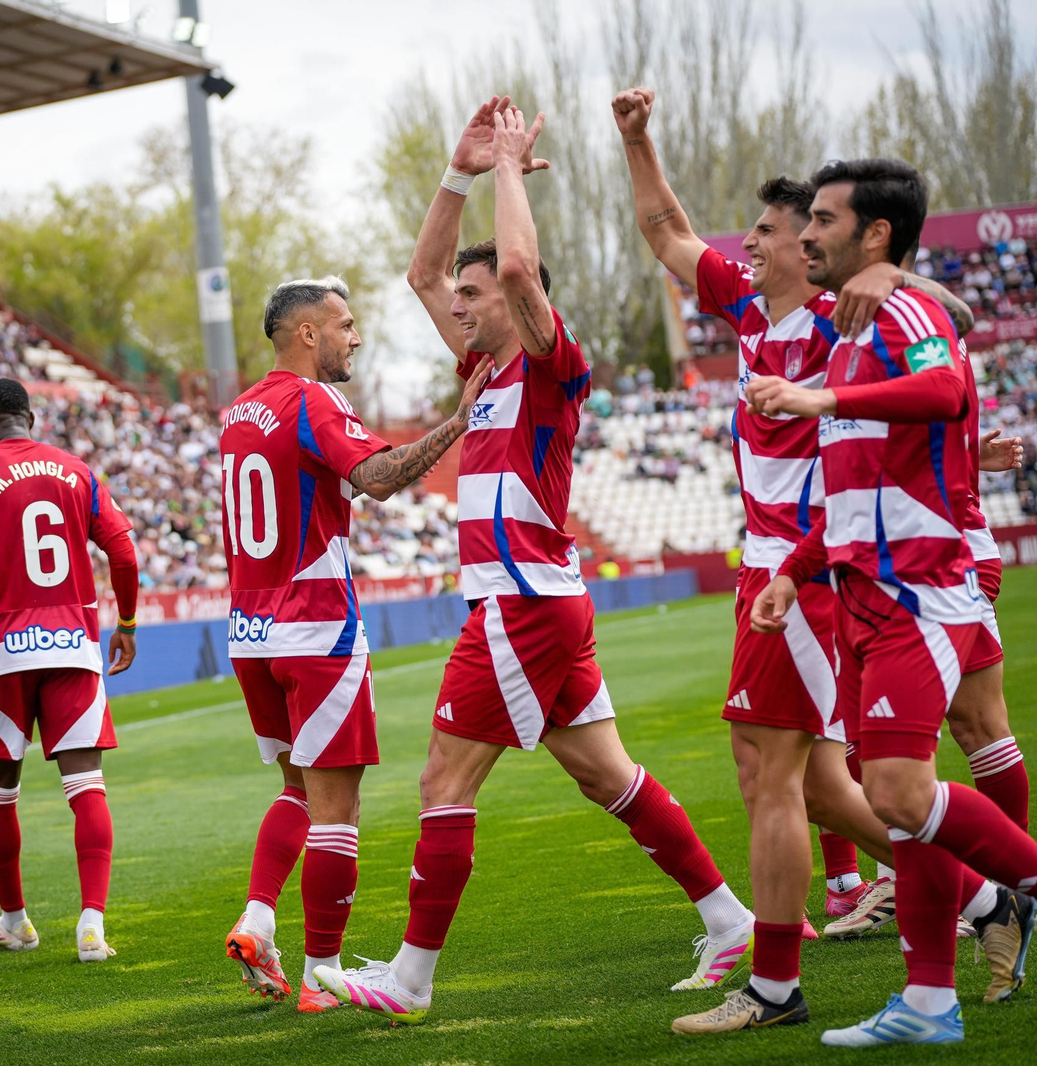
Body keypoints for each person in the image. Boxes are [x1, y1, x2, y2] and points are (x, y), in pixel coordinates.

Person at [315, 100, 752, 1026]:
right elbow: (423, 269)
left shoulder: (550, 363)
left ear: (517, 306)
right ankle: (729, 920)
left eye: (474, 301)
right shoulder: (485, 369)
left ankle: (408, 983)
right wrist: (460, 170)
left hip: (517, 603)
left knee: (444, 780)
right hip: (539, 601)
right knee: (607, 775)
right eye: (463, 301)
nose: (457, 305)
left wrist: (512, 165)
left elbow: (514, 265)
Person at [611, 86, 1000, 1034]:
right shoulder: (748, 309)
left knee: (784, 778)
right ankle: (984, 900)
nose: (749, 242)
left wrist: (891, 279)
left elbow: (943, 320)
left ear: (812, 246)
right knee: (813, 783)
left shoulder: (845, 317)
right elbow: (665, 229)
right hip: (773, 569)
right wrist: (637, 139)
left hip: (816, 567)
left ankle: (781, 984)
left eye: (775, 228)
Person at [748, 158, 1037, 1047]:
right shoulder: (849, 323)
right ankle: (926, 1003)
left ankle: (1015, 893)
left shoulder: (896, 310)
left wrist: (822, 393)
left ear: (875, 234)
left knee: (903, 790)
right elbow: (849, 483)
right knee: (901, 805)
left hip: (920, 592)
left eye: (824, 222)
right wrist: (796, 567)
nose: (804, 236)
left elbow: (947, 387)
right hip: (864, 594)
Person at [221, 276, 492, 1012]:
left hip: (250, 631)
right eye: (345, 324)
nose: (356, 336)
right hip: (317, 627)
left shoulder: (238, 413)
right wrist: (459, 421)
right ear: (307, 333)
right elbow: (374, 478)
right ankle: (321, 976)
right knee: (337, 807)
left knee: (296, 791)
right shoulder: (314, 401)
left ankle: (258, 918)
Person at [0, 378, 139, 963]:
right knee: (85, 787)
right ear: (31, 419)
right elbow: (123, 550)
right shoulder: (78, 471)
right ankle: (91, 926)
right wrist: (128, 623)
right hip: (70, 644)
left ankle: (16, 922)